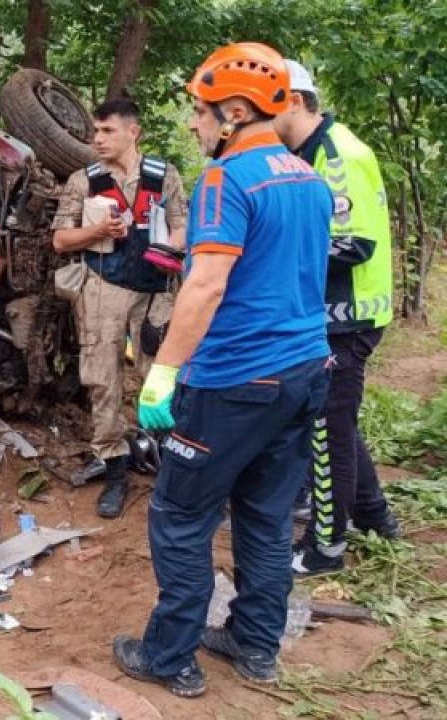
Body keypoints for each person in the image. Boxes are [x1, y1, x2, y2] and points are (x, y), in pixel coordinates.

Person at [111, 42, 333, 697]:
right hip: (303, 373)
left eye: (201, 113)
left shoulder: (224, 181)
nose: (193, 124)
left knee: (179, 516)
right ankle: (256, 644)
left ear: (235, 112)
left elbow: (205, 287)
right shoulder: (306, 178)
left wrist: (163, 372)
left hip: (236, 379)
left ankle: (170, 657)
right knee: (265, 518)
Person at [274, 60, 400, 576]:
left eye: (268, 103)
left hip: (348, 316)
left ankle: (326, 548)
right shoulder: (305, 153)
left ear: (296, 101)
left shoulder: (337, 152)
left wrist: (273, 252)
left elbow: (354, 243)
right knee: (337, 422)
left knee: (327, 427)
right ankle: (375, 515)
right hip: (328, 314)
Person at [52, 98, 188, 518]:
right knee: (102, 380)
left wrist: (170, 248)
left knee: (160, 379)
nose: (98, 138)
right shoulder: (84, 180)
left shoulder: (163, 176)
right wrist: (98, 230)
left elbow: (184, 226)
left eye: (108, 130)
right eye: (96, 131)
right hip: (102, 288)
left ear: (134, 132)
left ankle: (171, 473)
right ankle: (115, 471)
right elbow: (59, 240)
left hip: (154, 293)